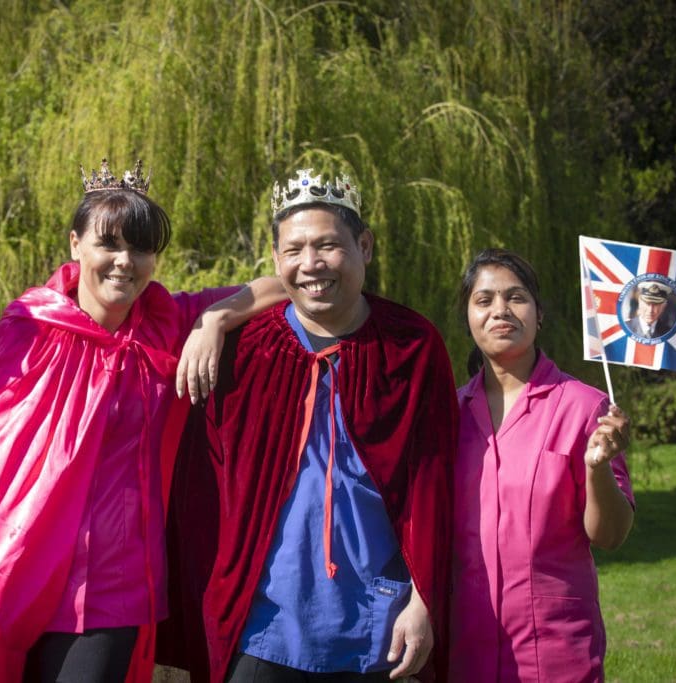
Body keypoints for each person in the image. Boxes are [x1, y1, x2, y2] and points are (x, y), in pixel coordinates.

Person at [0, 159, 286, 683]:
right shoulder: (27, 330)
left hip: (114, 580)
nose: (124, 262)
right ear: (76, 244)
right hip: (21, 565)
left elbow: (281, 284)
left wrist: (215, 319)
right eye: (110, 244)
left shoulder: (167, 320)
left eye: (140, 249)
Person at [161, 169, 458, 682]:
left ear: (364, 245)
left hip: (375, 623)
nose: (311, 264)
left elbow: (434, 490)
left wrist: (423, 599)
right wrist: (212, 320)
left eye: (328, 245)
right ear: (276, 260)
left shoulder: (412, 347)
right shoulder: (243, 349)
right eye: (294, 250)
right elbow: (203, 495)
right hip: (262, 627)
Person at [450, 248, 635, 682]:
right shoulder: (447, 414)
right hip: (462, 652)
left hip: (555, 654)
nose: (501, 310)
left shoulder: (587, 409)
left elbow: (610, 536)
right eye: (484, 300)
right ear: (468, 319)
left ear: (539, 313)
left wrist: (596, 468)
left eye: (516, 297)